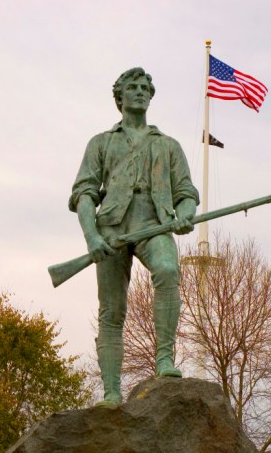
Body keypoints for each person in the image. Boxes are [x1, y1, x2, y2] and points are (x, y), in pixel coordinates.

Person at [69, 67, 199, 406]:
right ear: (120, 96)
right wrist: (91, 237)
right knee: (112, 311)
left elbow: (186, 192)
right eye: (133, 87)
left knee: (168, 270)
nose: (140, 91)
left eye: (145, 88)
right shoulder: (101, 143)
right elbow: (84, 194)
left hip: (154, 223)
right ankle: (111, 391)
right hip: (111, 230)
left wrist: (185, 213)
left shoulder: (168, 145)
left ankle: (165, 359)